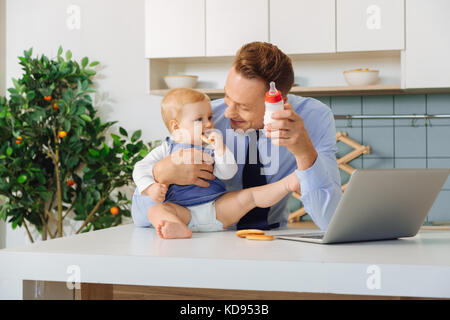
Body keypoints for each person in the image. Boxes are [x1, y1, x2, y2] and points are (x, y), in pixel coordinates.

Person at [132, 41, 342, 231]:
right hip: (206, 236)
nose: (228, 112)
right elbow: (141, 217)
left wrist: (305, 153)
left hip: (274, 239)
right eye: (227, 96)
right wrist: (159, 173)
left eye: (243, 106)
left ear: (278, 102)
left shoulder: (314, 118)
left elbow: (331, 221)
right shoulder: (202, 120)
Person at [132, 88, 299, 239]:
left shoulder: (211, 149)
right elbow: (140, 168)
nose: (209, 124)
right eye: (199, 120)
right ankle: (175, 227)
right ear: (176, 127)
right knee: (156, 211)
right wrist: (150, 187)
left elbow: (227, 173)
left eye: (209, 118)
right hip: (182, 212)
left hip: (216, 208)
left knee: (251, 195)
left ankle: (287, 184)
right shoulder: (166, 149)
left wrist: (221, 150)